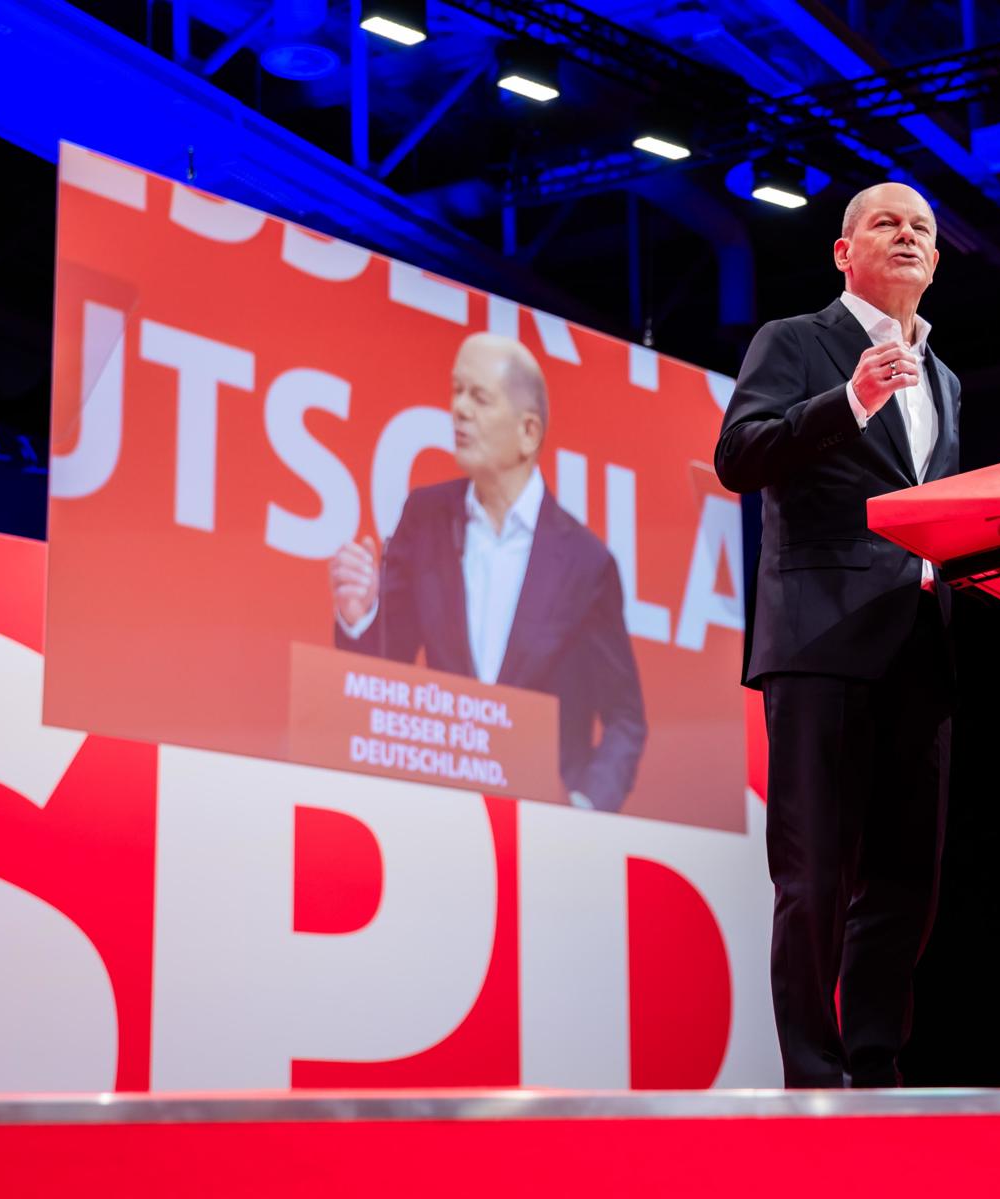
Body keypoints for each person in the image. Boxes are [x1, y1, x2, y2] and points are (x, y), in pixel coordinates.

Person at [715, 182, 961, 1087]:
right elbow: (739, 456)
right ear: (842, 252)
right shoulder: (796, 341)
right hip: (820, 641)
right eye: (886, 223)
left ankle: (875, 1064)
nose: (907, 236)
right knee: (815, 877)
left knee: (907, 881)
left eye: (922, 229)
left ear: (935, 263)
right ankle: (813, 1080)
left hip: (918, 644)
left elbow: (932, 510)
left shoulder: (946, 377)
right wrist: (849, 401)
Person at [331, 331, 647, 812]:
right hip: (437, 807)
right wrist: (360, 616)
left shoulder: (587, 562)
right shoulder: (425, 517)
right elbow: (383, 671)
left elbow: (625, 717)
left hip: (544, 827)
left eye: (478, 397)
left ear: (528, 433)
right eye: (456, 391)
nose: (458, 409)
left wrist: (586, 808)